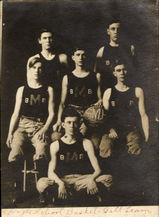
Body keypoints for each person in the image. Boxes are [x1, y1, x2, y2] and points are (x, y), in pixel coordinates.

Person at [37, 108, 112, 205]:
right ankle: (83, 196)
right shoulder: (55, 145)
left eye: (74, 123)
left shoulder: (86, 143)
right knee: (41, 183)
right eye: (68, 123)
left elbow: (97, 170)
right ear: (63, 125)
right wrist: (60, 183)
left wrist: (91, 179)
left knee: (108, 178)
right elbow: (50, 172)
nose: (72, 126)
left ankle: (69, 196)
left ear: (79, 125)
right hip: (64, 180)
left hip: (81, 180)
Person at [6, 57, 54, 204]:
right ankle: (18, 189)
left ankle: (42, 190)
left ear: (43, 70)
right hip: (22, 126)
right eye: (34, 68)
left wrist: (45, 129)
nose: (37, 71)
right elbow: (15, 113)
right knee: (14, 152)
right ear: (29, 69)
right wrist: (10, 133)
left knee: (41, 151)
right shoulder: (22, 89)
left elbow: (52, 113)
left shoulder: (48, 89)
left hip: (39, 126)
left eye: (40, 68)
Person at [53, 46, 103, 149]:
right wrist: (58, 120)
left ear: (86, 57)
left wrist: (99, 103)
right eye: (78, 55)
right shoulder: (67, 78)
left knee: (94, 144)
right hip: (72, 113)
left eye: (83, 55)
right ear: (73, 58)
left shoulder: (95, 76)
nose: (80, 58)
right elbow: (62, 102)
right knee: (55, 137)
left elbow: (100, 99)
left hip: (89, 114)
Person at [100, 61, 149, 159]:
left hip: (131, 129)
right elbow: (105, 116)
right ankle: (108, 173)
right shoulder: (109, 92)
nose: (122, 73)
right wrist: (110, 129)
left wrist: (147, 134)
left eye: (124, 70)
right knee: (105, 146)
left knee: (136, 147)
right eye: (118, 70)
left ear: (127, 71)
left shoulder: (137, 91)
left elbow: (143, 115)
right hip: (114, 129)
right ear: (114, 73)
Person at [27, 28, 68, 117]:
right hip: (43, 98)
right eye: (45, 38)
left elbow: (68, 80)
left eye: (50, 38)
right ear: (39, 41)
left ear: (53, 40)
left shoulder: (62, 58)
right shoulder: (33, 59)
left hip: (59, 98)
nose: (48, 41)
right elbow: (30, 83)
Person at [95, 19, 137, 95]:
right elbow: (98, 76)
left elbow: (135, 73)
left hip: (126, 91)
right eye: (113, 29)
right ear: (108, 31)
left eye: (118, 29)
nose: (116, 32)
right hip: (108, 92)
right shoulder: (102, 51)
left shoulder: (130, 49)